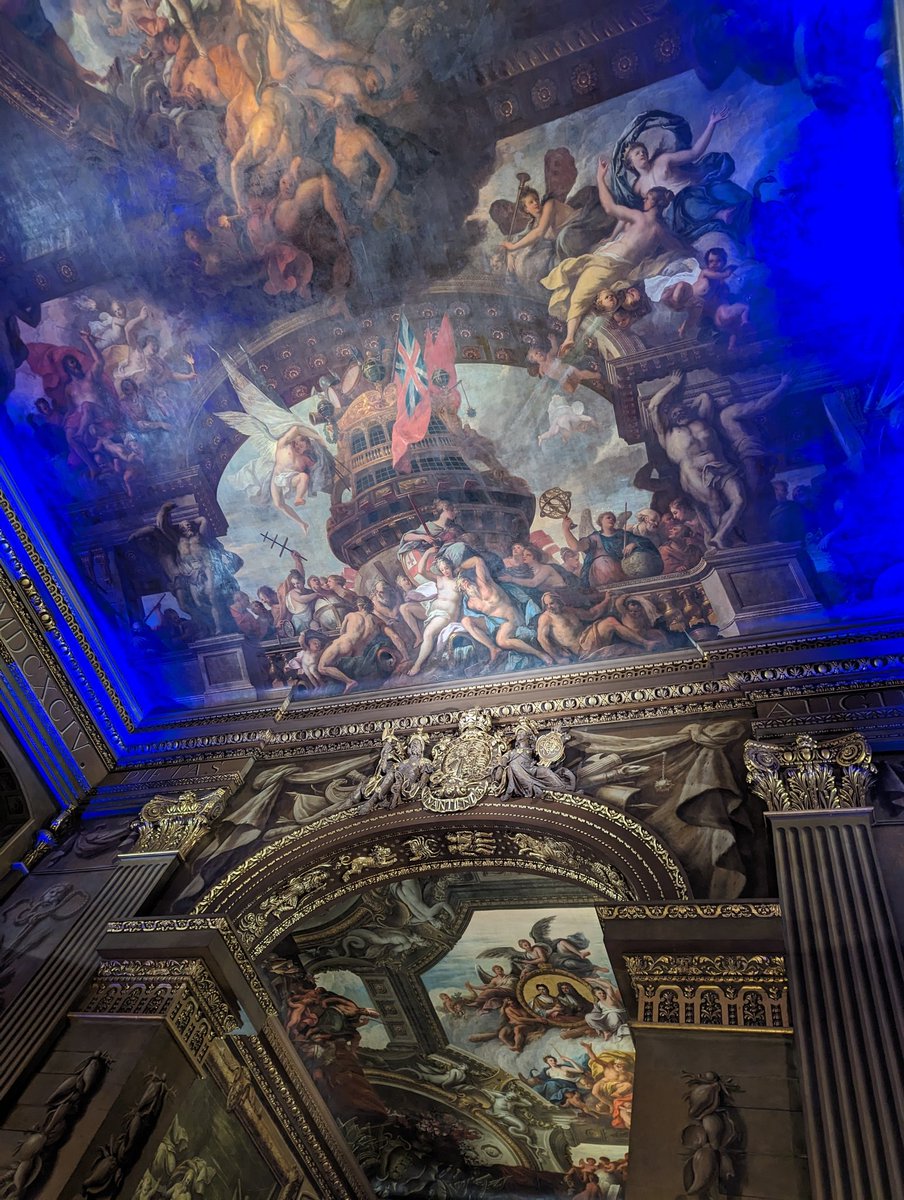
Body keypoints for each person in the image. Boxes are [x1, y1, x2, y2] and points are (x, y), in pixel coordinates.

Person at [541, 156, 685, 355]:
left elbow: (610, 207)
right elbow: (678, 248)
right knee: (580, 290)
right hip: (607, 263)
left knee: (579, 296)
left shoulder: (641, 219)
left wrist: (600, 178)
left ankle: (569, 337)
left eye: (647, 199)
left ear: (655, 203)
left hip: (608, 264)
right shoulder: (660, 230)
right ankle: (571, 335)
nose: (644, 201)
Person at [647, 371, 746, 549]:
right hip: (693, 472)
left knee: (739, 499)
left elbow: (705, 397)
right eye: (673, 413)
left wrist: (690, 409)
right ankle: (724, 543)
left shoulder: (701, 421)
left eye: (680, 410)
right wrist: (672, 384)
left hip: (720, 466)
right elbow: (653, 407)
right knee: (714, 504)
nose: (678, 414)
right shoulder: (667, 435)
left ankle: (721, 535)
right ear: (668, 418)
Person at [456, 555, 553, 667]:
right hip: (496, 623)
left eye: (466, 580)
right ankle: (493, 648)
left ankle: (540, 654)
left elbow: (477, 560)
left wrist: (460, 567)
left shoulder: (484, 583)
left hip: (512, 618)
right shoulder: (470, 604)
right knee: (466, 621)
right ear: (461, 589)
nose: (465, 583)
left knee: (501, 640)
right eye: (462, 584)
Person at [316, 596, 407, 691]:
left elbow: (342, 633)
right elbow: (394, 636)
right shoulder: (376, 620)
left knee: (322, 667)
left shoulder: (350, 615)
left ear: (359, 605)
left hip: (344, 644)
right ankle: (349, 681)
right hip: (359, 653)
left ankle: (349, 681)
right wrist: (406, 657)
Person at [403, 557, 462, 676]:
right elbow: (421, 571)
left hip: (447, 614)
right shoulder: (439, 579)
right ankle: (421, 656)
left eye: (446, 568)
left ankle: (417, 665)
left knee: (428, 633)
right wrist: (429, 553)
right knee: (406, 609)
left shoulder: (458, 582)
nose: (445, 571)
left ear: (451, 567)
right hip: (434, 612)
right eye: (442, 569)